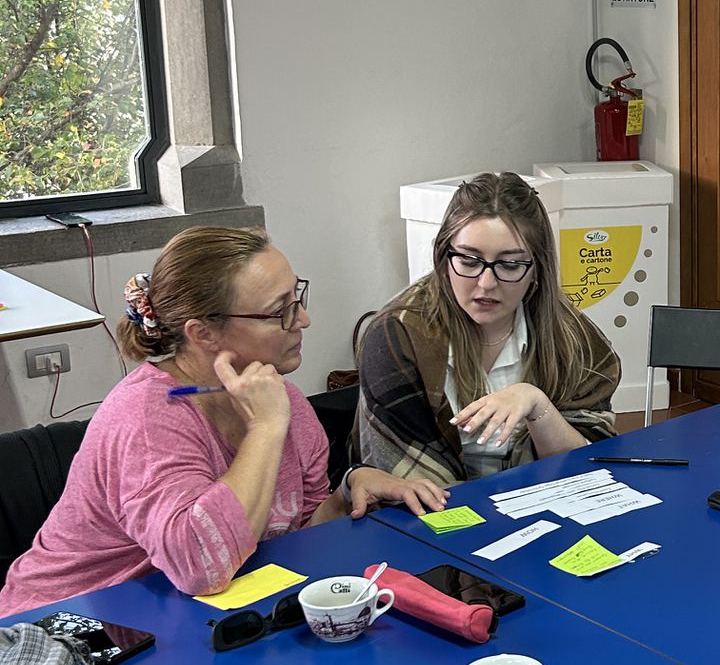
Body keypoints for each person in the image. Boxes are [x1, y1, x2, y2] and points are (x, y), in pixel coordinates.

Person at [0, 227, 448, 617]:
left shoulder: (284, 401)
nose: (303, 320)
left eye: (297, 299)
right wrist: (265, 430)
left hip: (179, 621)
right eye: (280, 310)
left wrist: (346, 493)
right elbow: (201, 568)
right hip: (65, 630)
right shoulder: (146, 418)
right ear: (203, 333)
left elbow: (293, 537)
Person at [357, 171, 620, 486]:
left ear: (537, 269)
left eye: (509, 265)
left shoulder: (572, 336)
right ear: (444, 259)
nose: (486, 283)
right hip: (440, 508)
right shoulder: (396, 335)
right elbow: (408, 486)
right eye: (469, 261)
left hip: (538, 497)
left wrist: (536, 405)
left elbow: (586, 464)